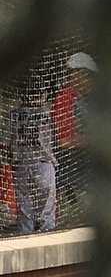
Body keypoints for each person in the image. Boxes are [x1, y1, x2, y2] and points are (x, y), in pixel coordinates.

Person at [3, 80, 57, 234]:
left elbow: (5, 143)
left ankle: (25, 234)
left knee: (25, 205)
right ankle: (48, 235)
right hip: (43, 163)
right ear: (41, 95)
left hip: (21, 164)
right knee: (46, 206)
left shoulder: (13, 115)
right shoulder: (48, 112)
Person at [51, 51, 97, 213]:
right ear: (75, 74)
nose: (91, 82)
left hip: (83, 177)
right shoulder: (65, 99)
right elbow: (65, 140)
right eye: (88, 76)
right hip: (70, 182)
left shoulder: (81, 100)